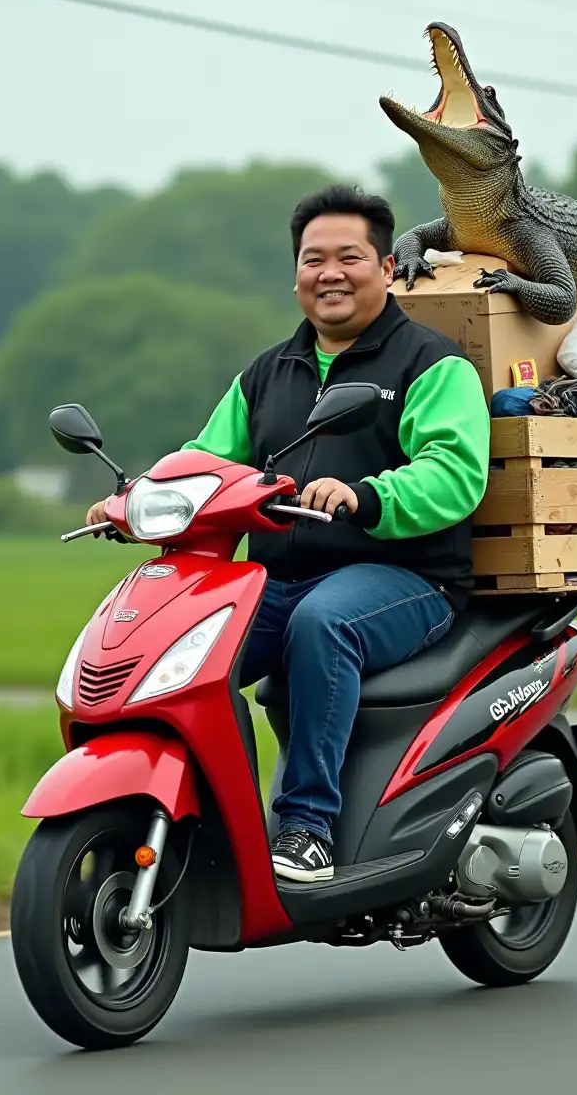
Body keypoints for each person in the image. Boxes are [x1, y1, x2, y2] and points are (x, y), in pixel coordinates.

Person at [87, 185, 490, 882]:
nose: (329, 273)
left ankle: (306, 828)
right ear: (296, 274)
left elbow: (454, 475)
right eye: (313, 259)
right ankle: (184, 813)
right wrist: (135, 499)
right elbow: (204, 461)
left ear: (388, 268)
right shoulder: (266, 374)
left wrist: (366, 496)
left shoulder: (432, 365)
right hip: (279, 578)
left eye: (349, 257)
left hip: (406, 578)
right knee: (179, 642)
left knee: (321, 623)